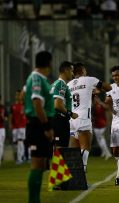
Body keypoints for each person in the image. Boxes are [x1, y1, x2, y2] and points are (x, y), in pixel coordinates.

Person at [67, 62, 112, 172]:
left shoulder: (68, 84)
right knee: (85, 147)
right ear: (82, 70)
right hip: (83, 118)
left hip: (71, 119)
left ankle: (72, 178)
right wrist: (99, 89)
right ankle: (81, 172)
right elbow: (108, 87)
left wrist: (91, 93)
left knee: (74, 150)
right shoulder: (89, 80)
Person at [24, 51, 54, 203]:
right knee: (36, 164)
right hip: (37, 125)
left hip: (39, 124)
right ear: (48, 62)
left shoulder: (40, 78)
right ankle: (33, 200)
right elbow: (36, 103)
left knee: (41, 164)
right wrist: (47, 126)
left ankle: (35, 200)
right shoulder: (36, 77)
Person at [51, 61, 78, 148]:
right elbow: (57, 105)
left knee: (57, 148)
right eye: (71, 71)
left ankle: (56, 162)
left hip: (55, 120)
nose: (73, 74)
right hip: (59, 120)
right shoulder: (61, 84)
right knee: (60, 148)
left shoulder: (54, 84)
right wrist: (71, 114)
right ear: (66, 70)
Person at [9, 90, 27, 164]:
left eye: (19, 95)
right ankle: (21, 156)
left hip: (22, 126)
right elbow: (11, 116)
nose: (18, 96)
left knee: (20, 141)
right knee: (15, 143)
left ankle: (20, 158)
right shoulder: (13, 106)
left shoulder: (24, 105)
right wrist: (10, 124)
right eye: (17, 95)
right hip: (15, 127)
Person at [92, 95, 112, 160]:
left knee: (101, 138)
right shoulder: (93, 106)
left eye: (96, 99)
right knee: (99, 139)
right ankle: (104, 152)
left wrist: (100, 102)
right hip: (96, 124)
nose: (95, 100)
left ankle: (107, 153)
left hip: (101, 123)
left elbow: (107, 107)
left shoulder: (99, 105)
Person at [0, 94, 7, 166]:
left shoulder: (2, 108)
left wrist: (3, 118)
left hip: (1, 129)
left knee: (0, 145)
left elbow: (6, 117)